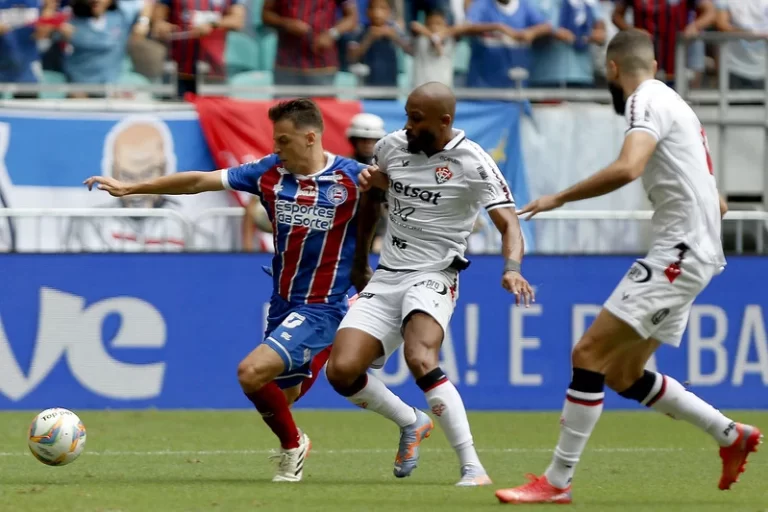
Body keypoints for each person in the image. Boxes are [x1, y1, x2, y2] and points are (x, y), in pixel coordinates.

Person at [495, 29, 762, 505]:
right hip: (693, 251)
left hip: (678, 253)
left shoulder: (643, 101)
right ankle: (730, 434)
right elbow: (717, 201)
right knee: (622, 373)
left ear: (613, 69)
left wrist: (559, 196)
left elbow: (628, 167)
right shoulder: (676, 103)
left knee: (588, 354)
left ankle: (557, 482)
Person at [84, 98, 378, 483]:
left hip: (326, 303)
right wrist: (131, 187)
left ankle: (293, 448)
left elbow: (405, 199)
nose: (276, 148)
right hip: (284, 301)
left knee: (250, 373)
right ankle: (325, 356)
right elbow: (198, 181)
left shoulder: (355, 178)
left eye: (284, 140)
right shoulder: (268, 173)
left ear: (310, 138)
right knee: (279, 398)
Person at [325, 81, 535, 487]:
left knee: (421, 357)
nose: (406, 126)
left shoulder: (474, 162)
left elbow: (509, 223)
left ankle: (472, 467)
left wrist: (511, 268)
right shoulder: (391, 147)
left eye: (415, 119)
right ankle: (411, 420)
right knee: (341, 371)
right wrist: (359, 262)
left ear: (444, 121)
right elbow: (372, 198)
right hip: (388, 274)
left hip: (435, 273)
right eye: (405, 115)